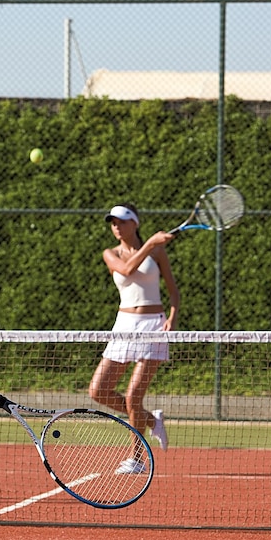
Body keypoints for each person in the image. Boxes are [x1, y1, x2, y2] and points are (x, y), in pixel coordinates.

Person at [88, 203, 179, 474]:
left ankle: (137, 459)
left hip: (153, 325)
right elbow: (127, 270)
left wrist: (172, 318)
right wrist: (151, 242)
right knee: (98, 391)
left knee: (133, 396)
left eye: (122, 221)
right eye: (113, 222)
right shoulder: (110, 253)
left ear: (135, 223)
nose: (116, 227)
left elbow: (174, 292)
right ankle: (151, 420)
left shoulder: (158, 252)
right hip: (124, 325)